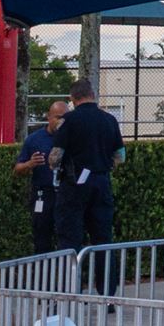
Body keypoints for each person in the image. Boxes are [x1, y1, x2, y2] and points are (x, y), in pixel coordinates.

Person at [51, 77, 125, 254]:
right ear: (93, 95)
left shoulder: (68, 121)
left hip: (74, 183)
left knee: (70, 237)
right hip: (102, 181)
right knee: (103, 239)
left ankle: (70, 280)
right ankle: (106, 281)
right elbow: (121, 156)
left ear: (73, 99)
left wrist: (54, 166)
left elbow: (55, 157)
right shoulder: (110, 120)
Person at [14, 96, 69, 254]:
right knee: (42, 235)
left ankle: (65, 272)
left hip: (66, 193)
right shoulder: (34, 139)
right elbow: (17, 169)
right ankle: (43, 273)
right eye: (58, 117)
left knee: (66, 235)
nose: (62, 122)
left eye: (66, 118)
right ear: (49, 116)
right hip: (43, 194)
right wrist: (30, 164)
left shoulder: (72, 137)